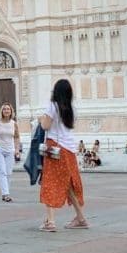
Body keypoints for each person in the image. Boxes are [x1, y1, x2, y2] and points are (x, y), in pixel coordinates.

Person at [38, 79, 88, 232]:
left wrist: (41, 120)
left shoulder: (53, 106)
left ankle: (50, 222)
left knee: (50, 181)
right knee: (67, 185)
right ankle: (80, 218)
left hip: (55, 148)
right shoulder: (73, 108)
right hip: (70, 150)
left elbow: (46, 126)